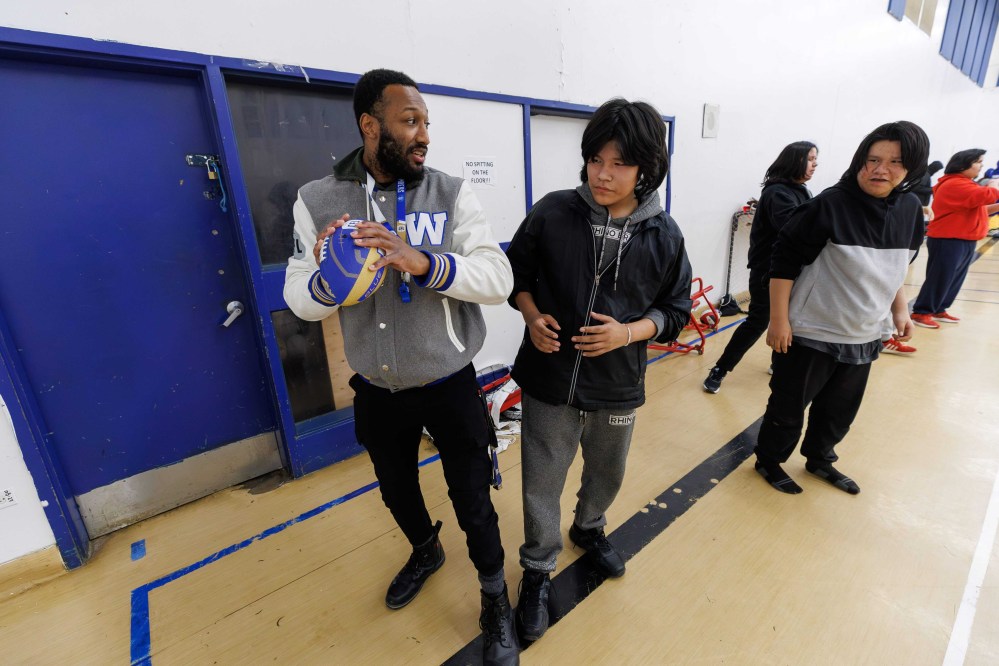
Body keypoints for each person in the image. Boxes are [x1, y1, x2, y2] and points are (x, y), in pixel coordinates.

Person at [283, 69, 519, 665]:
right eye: (410, 122)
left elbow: (498, 277)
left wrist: (424, 262)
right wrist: (328, 280)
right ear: (370, 125)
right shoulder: (316, 201)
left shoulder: (450, 193)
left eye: (426, 123)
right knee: (396, 488)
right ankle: (425, 550)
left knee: (472, 497)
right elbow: (298, 295)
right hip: (377, 387)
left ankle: (494, 596)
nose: (424, 136)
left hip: (448, 382)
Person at [505, 98, 692, 642]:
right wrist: (532, 316)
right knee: (542, 477)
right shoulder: (552, 212)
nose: (603, 174)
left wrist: (628, 333)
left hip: (617, 384)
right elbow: (516, 275)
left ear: (647, 168)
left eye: (620, 163)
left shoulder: (665, 235)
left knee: (607, 471)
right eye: (595, 160)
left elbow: (676, 310)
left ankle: (589, 528)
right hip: (549, 377)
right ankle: (537, 568)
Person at [754, 121, 929, 495]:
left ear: (912, 168)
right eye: (873, 159)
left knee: (838, 410)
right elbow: (783, 263)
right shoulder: (829, 205)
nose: (880, 170)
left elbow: (896, 266)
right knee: (788, 408)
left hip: (865, 331)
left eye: (895, 162)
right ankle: (769, 460)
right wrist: (779, 320)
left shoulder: (910, 209)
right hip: (811, 331)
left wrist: (900, 310)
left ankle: (820, 460)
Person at [702, 141, 817, 393]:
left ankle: (779, 362)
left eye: (815, 159)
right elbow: (794, 229)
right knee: (758, 321)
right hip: (768, 271)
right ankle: (720, 369)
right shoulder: (777, 193)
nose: (814, 164)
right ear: (795, 160)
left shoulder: (801, 191)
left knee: (789, 319)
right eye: (810, 159)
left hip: (793, 270)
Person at [910, 150, 999, 329]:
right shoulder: (955, 184)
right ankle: (921, 312)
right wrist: (995, 182)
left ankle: (939, 308)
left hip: (964, 238)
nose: (981, 165)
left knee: (954, 278)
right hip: (949, 238)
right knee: (940, 277)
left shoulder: (965, 184)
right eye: (978, 161)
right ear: (963, 164)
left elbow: (981, 209)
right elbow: (990, 194)